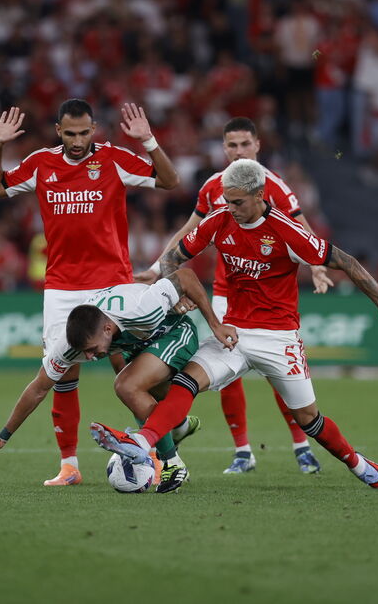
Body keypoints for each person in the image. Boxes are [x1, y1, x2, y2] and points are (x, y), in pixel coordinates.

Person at [91, 159, 378, 490]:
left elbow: (346, 261)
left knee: (308, 419)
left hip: (279, 338)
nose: (230, 209)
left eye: (238, 202)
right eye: (227, 201)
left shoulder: (287, 231)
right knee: (186, 382)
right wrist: (174, 292)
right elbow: (174, 256)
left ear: (259, 195)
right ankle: (142, 443)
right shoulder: (219, 220)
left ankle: (359, 465)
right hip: (234, 333)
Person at [0, 99, 180, 486]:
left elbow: (169, 181)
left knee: (129, 372)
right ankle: (69, 466)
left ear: (94, 129)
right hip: (62, 287)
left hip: (112, 281)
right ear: (58, 130)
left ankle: (161, 455)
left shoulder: (114, 159)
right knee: (62, 372)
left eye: (84, 133)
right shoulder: (41, 163)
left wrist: (149, 141)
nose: (77, 141)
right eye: (70, 133)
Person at [136, 117, 333, 475]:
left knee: (277, 372)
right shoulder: (213, 186)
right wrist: (156, 267)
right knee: (225, 372)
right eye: (232, 145)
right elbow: (189, 230)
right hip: (227, 292)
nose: (239, 151)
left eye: (245, 144)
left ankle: (301, 445)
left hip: (269, 295)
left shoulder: (273, 186)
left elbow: (302, 229)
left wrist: (317, 267)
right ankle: (243, 451)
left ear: (257, 145)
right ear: (224, 148)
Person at [0, 267, 238, 493]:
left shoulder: (142, 309)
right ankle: (177, 426)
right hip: (141, 346)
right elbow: (38, 388)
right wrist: (2, 436)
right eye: (85, 352)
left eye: (93, 349)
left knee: (127, 385)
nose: (90, 357)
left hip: (174, 332)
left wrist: (215, 325)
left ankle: (172, 463)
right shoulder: (69, 346)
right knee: (147, 394)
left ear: (108, 328)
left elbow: (186, 276)